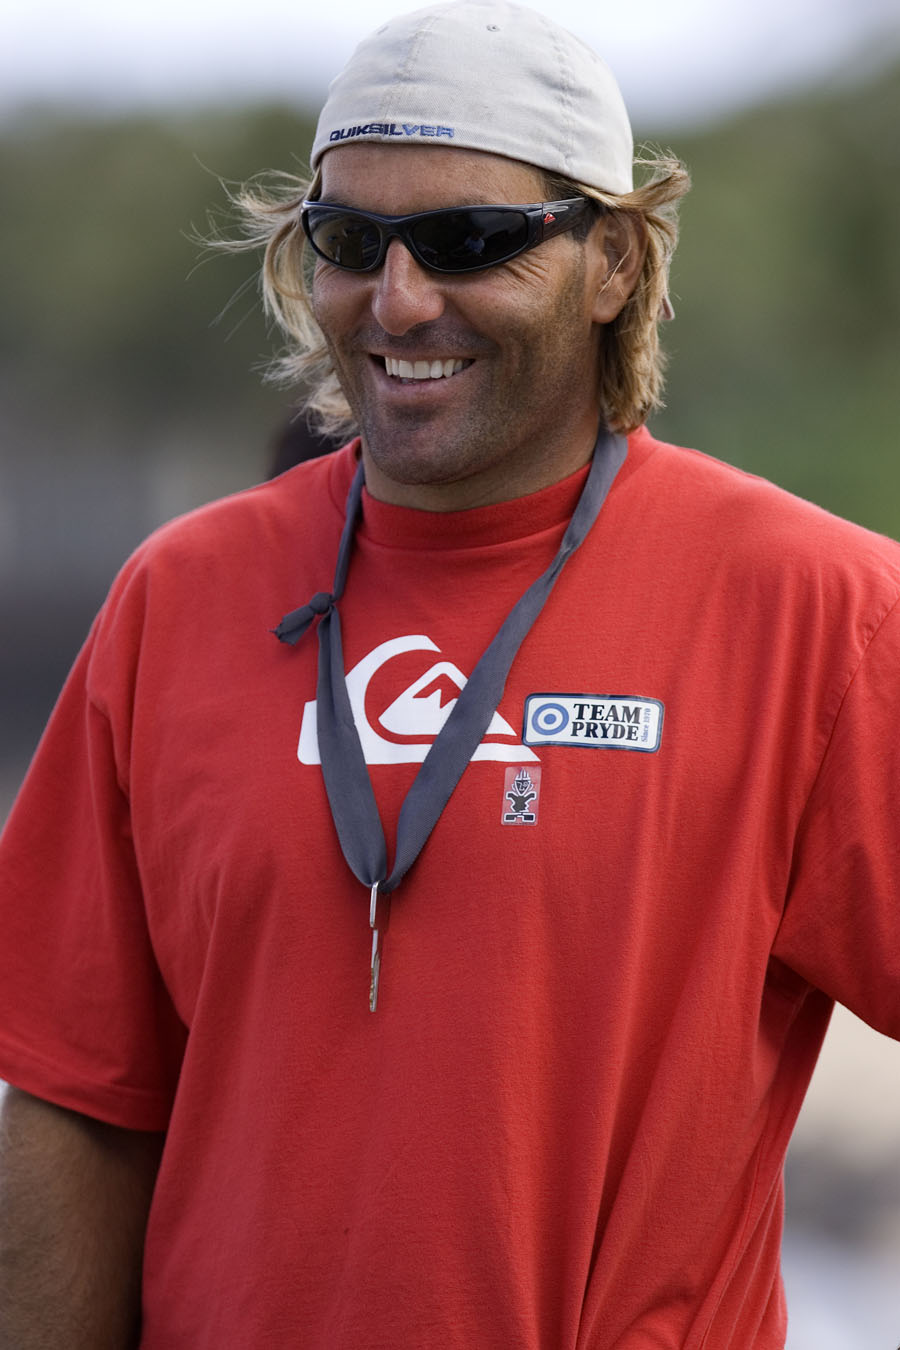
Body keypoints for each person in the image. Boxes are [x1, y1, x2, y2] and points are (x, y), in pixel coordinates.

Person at [0, 2, 898, 1346]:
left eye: (470, 240)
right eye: (351, 242)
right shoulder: (175, 599)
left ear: (613, 262)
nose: (401, 298)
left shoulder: (819, 611)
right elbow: (79, 1101)